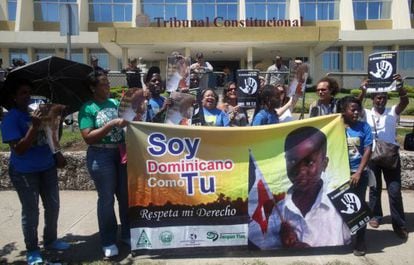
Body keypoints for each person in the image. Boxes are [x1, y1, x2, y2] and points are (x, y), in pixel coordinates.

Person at [1, 79, 70, 265]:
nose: (27, 96)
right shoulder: (11, 118)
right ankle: (32, 249)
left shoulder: (37, 113)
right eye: (22, 93)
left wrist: (56, 121)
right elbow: (19, 149)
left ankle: (51, 240)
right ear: (14, 97)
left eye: (29, 92)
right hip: (24, 172)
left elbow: (51, 138)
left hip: (46, 167)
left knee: (53, 206)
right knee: (31, 211)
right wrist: (33, 126)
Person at [250, 126, 351, 249]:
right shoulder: (279, 211)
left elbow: (354, 240)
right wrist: (283, 242)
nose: (301, 171)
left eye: (309, 162)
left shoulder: (340, 203)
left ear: (324, 164)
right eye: (292, 161)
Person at [78, 72, 129, 258]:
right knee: (107, 199)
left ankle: (127, 234)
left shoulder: (115, 103)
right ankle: (108, 240)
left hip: (121, 153)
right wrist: (111, 124)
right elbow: (88, 137)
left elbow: (129, 121)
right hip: (101, 155)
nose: (108, 87)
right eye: (104, 84)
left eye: (108, 83)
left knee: (125, 197)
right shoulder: (87, 108)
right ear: (93, 88)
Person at [360, 75, 409, 240]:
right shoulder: (366, 113)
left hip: (390, 158)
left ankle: (399, 224)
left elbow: (404, 103)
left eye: (383, 98)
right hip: (373, 157)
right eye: (378, 97)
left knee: (394, 191)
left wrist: (400, 87)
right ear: (373, 99)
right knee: (374, 189)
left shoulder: (392, 112)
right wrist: (363, 90)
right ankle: (375, 216)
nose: (381, 100)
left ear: (387, 99)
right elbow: (355, 106)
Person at [341, 96, 373, 256]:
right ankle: (342, 237)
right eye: (352, 109)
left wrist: (359, 172)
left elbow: (368, 149)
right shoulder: (337, 127)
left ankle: (360, 241)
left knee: (359, 208)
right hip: (341, 175)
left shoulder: (364, 127)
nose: (355, 112)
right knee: (340, 208)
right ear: (343, 111)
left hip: (358, 175)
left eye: (357, 109)